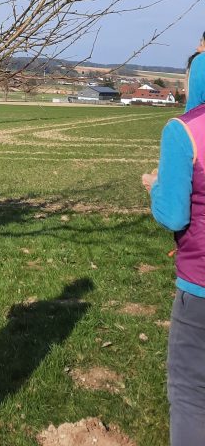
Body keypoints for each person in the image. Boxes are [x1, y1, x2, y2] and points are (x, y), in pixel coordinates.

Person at [142, 47, 205, 445]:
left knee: (190, 394)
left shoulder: (184, 130)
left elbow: (173, 214)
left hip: (199, 287)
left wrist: (153, 187)